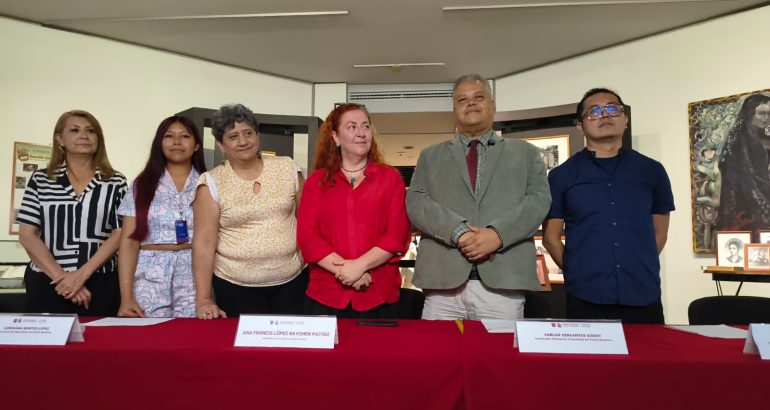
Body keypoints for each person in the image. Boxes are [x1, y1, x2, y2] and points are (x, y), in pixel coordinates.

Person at [406, 74, 551, 320]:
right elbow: (416, 201)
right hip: (442, 286)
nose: (471, 103)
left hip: (504, 282)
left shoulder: (525, 153)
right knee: (439, 356)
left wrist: (498, 234)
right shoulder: (430, 156)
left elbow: (538, 200)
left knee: (499, 358)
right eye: (462, 99)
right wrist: (458, 231)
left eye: (478, 97)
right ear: (454, 109)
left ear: (493, 106)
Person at [543, 88, 675, 324]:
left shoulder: (652, 171)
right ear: (580, 126)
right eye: (593, 111)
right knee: (591, 362)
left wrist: (635, 264)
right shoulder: (562, 176)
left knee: (649, 359)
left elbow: (660, 232)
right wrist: (576, 272)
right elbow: (551, 238)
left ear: (625, 119)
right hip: (585, 296)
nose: (604, 115)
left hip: (643, 294)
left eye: (613, 109)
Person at [192, 103, 306, 319]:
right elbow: (204, 242)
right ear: (221, 144)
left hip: (293, 281)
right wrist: (204, 298)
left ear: (257, 135)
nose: (243, 141)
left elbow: (308, 222)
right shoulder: (212, 182)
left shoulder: (287, 168)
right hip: (235, 285)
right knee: (250, 351)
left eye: (248, 133)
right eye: (233, 136)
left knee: (293, 350)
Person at [297, 103, 410, 318]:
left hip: (378, 294)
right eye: (351, 127)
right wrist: (348, 271)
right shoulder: (316, 182)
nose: (361, 133)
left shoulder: (390, 179)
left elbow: (396, 235)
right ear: (336, 137)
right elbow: (308, 237)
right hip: (327, 295)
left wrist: (359, 266)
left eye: (365, 126)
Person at [17, 110, 127, 316]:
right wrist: (63, 279)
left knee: (100, 345)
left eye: (91, 131)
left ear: (98, 139)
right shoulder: (41, 179)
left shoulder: (115, 181)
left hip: (100, 282)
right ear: (60, 138)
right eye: (75, 130)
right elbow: (27, 234)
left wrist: (80, 276)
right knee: (45, 347)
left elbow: (120, 233)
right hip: (48, 280)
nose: (84, 135)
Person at [116, 116, 206, 317]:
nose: (176, 142)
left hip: (195, 273)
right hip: (149, 274)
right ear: (160, 143)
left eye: (184, 136)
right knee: (149, 339)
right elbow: (129, 242)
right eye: (169, 136)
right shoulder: (142, 184)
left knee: (193, 339)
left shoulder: (207, 183)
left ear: (197, 145)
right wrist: (126, 296)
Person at [716, 93, 770, 232]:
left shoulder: (760, 136)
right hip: (743, 200)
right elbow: (744, 174)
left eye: (769, 114)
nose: (766, 118)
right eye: (761, 113)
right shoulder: (739, 138)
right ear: (750, 113)